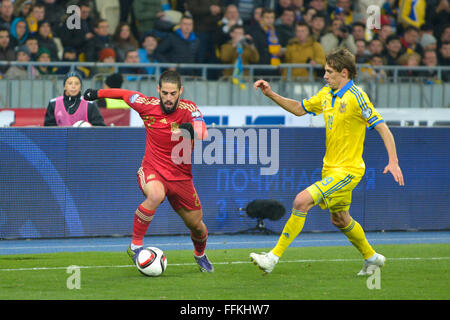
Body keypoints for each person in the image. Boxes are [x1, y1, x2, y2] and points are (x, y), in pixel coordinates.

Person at [250, 48, 404, 276]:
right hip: (330, 169)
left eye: (329, 72)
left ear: (344, 73)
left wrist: (393, 161)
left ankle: (272, 258)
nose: (325, 76)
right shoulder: (326, 94)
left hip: (348, 171)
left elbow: (383, 128)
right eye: (325, 71)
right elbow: (299, 109)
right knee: (340, 219)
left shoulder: (357, 97)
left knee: (301, 201)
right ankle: (372, 258)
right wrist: (271, 94)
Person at [82, 70, 214, 272]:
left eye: (173, 93)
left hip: (181, 178)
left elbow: (204, 133)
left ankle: (200, 255)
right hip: (153, 169)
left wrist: (188, 129)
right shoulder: (147, 105)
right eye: (165, 93)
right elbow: (125, 95)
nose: (168, 98)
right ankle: (135, 246)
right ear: (158, 90)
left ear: (181, 91)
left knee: (197, 225)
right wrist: (98, 93)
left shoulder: (189, 109)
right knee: (155, 195)